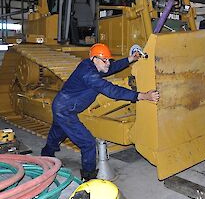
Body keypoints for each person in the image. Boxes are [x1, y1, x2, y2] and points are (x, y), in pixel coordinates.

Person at [41, 43, 159, 181]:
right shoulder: (89, 74)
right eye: (105, 60)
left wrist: (131, 59)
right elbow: (111, 90)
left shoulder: (93, 65)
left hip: (63, 106)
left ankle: (44, 157)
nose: (108, 63)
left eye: (108, 59)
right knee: (88, 143)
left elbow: (111, 68)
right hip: (65, 110)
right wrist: (142, 96)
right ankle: (88, 178)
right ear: (94, 59)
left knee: (57, 134)